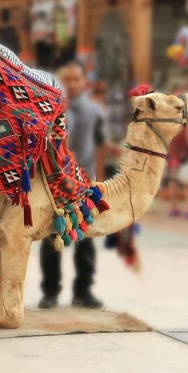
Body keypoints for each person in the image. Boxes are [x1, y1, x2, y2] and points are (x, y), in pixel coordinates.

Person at [39, 61, 120, 310]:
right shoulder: (49, 109)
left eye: (77, 79)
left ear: (84, 82)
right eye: (68, 79)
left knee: (85, 238)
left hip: (85, 183)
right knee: (52, 237)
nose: (73, 84)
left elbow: (101, 144)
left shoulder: (95, 111)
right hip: (55, 184)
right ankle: (50, 291)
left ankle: (83, 290)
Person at [166, 78, 188, 219]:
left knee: (174, 178)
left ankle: (174, 207)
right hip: (180, 148)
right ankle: (187, 208)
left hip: (171, 147)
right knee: (186, 179)